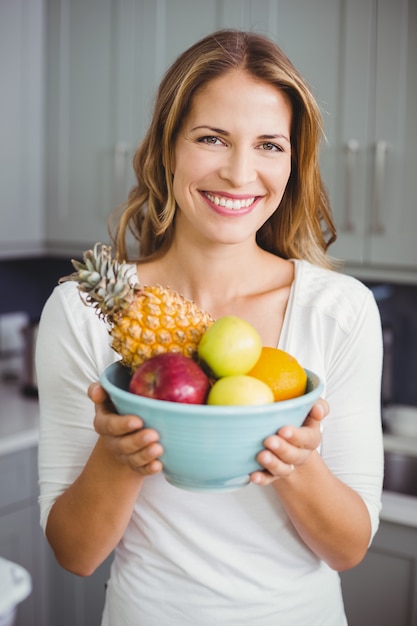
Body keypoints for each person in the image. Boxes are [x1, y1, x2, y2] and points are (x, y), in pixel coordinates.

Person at [37, 29, 384, 625]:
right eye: (211, 138)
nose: (239, 171)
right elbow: (75, 553)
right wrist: (118, 456)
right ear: (167, 149)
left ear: (292, 164)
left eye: (270, 145)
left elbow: (348, 548)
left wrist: (296, 461)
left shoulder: (339, 309)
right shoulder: (81, 312)